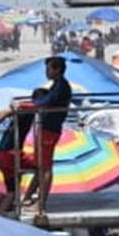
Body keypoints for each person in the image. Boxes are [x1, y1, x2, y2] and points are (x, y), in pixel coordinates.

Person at [22, 56, 72, 219]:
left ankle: (41, 204)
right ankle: (29, 196)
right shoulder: (57, 85)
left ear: (57, 69)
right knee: (40, 165)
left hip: (50, 129)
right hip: (46, 128)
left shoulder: (61, 87)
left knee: (45, 167)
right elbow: (44, 100)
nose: (46, 72)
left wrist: (30, 104)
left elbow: (45, 101)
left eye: (49, 69)